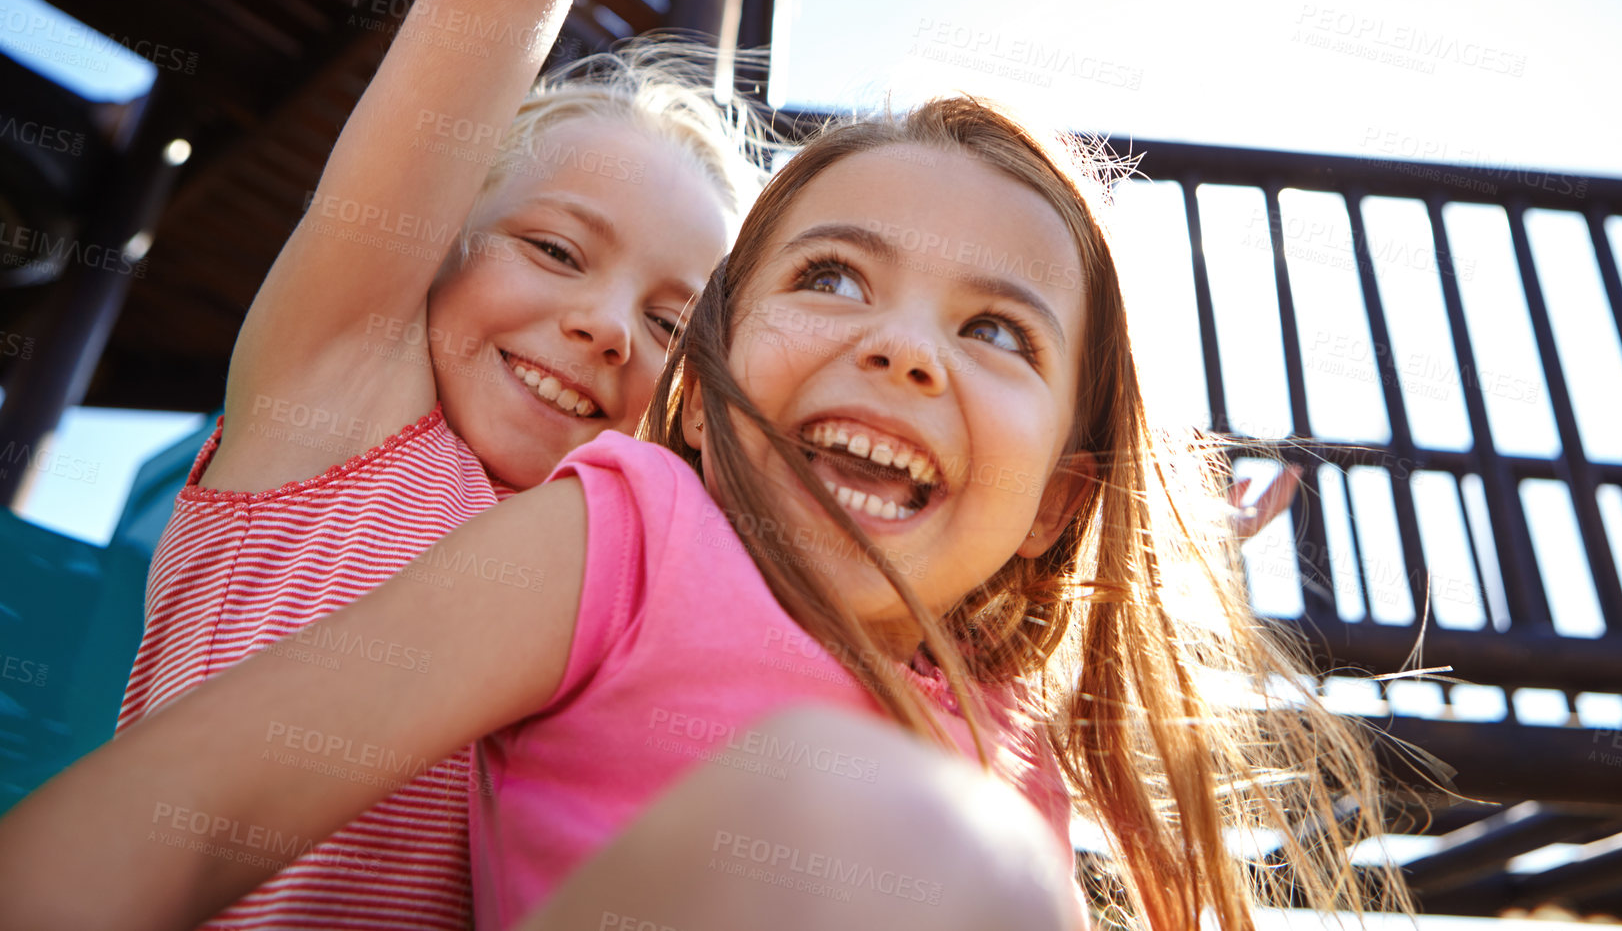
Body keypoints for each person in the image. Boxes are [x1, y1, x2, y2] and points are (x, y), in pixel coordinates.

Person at [0, 95, 1402, 931]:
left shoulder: (1006, 739)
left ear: (1058, 503)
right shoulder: (626, 527)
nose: (904, 349)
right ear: (713, 376)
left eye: (997, 332)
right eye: (836, 278)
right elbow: (191, 808)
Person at [110, 0, 767, 924]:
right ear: (440, 250)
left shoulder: (633, 581)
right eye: (557, 248)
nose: (610, 324)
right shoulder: (342, 398)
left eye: (671, 323)